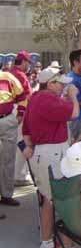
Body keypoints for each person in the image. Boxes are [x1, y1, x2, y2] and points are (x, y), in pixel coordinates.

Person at [22, 67, 80, 248]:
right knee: (64, 200)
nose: (63, 85)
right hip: (52, 154)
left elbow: (26, 130)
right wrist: (73, 96)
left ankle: (47, 243)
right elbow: (74, 113)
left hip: (44, 153)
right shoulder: (48, 99)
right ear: (51, 83)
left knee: (49, 199)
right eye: (60, 82)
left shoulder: (35, 99)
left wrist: (29, 148)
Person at [0, 69, 25, 211]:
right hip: (7, 121)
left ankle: (6, 195)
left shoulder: (8, 77)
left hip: (7, 120)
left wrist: (21, 113)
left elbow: (22, 96)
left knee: (8, 160)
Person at [10, 51, 33, 187]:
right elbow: (26, 97)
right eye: (27, 63)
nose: (28, 65)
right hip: (19, 109)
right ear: (23, 62)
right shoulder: (20, 75)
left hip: (9, 110)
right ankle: (18, 176)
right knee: (22, 142)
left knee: (13, 143)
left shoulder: (9, 73)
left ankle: (16, 174)